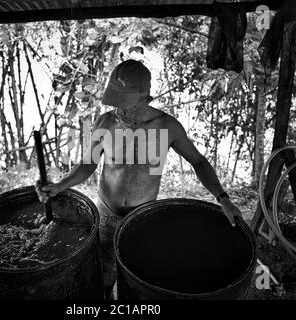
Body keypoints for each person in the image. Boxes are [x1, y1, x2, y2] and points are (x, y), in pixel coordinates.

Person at [36, 59, 242, 299]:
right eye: (115, 104)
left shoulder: (167, 127)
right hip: (106, 212)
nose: (119, 111)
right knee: (103, 271)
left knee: (136, 279)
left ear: (145, 97)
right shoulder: (105, 122)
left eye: (125, 105)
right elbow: (88, 164)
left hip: (141, 218)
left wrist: (223, 198)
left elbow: (199, 162)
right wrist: (60, 185)